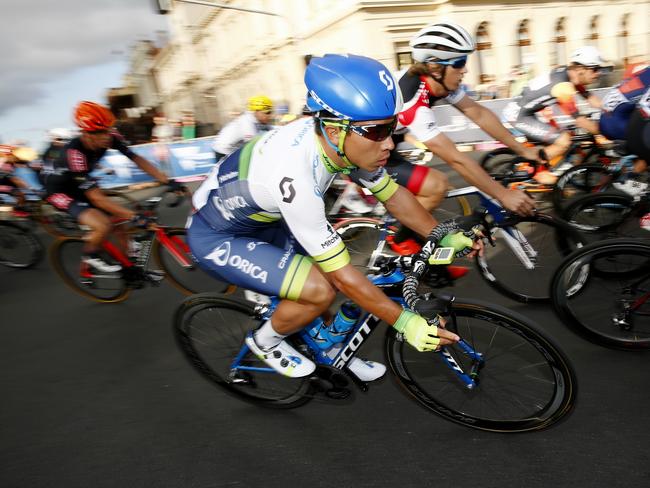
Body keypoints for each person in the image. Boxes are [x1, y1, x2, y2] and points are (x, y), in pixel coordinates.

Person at [187, 54, 480, 381]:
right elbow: (342, 276)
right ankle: (265, 341)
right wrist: (404, 321)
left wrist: (442, 234)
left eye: (392, 128)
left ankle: (326, 346)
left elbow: (394, 196)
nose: (388, 143)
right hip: (217, 234)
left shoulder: (341, 141)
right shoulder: (295, 174)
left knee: (317, 281)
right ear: (334, 128)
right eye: (377, 131)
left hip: (265, 217)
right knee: (319, 288)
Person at [386, 22, 538, 250]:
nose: (465, 69)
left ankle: (412, 235)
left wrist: (522, 149)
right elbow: (455, 158)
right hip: (364, 153)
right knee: (436, 185)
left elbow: (478, 113)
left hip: (390, 142)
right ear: (435, 67)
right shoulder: (413, 102)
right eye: (459, 63)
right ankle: (400, 242)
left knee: (427, 185)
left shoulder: (439, 81)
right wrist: (502, 194)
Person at [42, 101, 184, 273]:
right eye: (100, 133)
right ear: (86, 133)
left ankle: (129, 268)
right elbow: (96, 198)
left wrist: (166, 180)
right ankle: (90, 256)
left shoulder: (111, 137)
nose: (107, 136)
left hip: (80, 184)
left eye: (108, 130)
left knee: (120, 225)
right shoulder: (74, 154)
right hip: (60, 191)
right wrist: (135, 216)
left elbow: (136, 158)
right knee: (103, 225)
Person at [506, 45, 605, 183]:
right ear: (581, 69)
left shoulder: (569, 74)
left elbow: (588, 97)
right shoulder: (562, 86)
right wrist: (602, 130)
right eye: (595, 69)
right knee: (563, 140)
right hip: (519, 115)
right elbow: (578, 119)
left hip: (528, 112)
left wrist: (609, 110)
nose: (598, 73)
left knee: (567, 134)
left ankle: (547, 170)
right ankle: (537, 173)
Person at [599, 63, 650, 195]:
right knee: (645, 155)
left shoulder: (642, 70)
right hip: (619, 122)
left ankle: (614, 184)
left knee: (642, 153)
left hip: (609, 117)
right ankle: (626, 184)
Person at [211, 95, 275, 162]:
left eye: (271, 112)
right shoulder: (246, 124)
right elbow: (254, 146)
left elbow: (272, 130)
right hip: (223, 151)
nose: (270, 115)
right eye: (267, 112)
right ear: (257, 111)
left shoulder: (257, 119)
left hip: (233, 150)